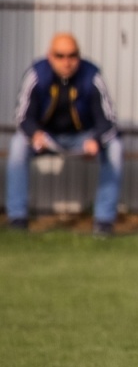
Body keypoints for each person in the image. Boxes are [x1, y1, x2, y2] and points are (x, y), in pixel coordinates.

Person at [7, 33, 121, 237]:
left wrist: (95, 139)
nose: (66, 62)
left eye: (72, 56)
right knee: (17, 145)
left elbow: (108, 119)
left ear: (79, 56)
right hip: (47, 138)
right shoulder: (37, 74)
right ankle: (17, 218)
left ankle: (104, 221)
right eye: (60, 56)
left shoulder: (92, 76)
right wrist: (35, 134)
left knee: (114, 148)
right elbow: (22, 116)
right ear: (50, 56)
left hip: (83, 138)